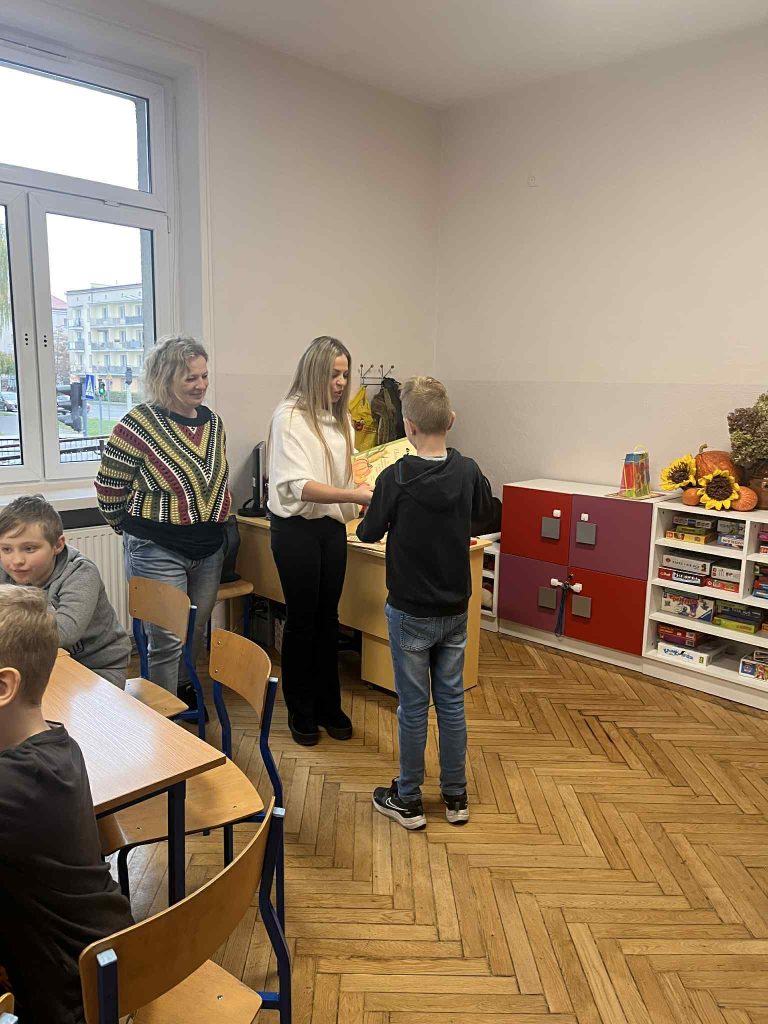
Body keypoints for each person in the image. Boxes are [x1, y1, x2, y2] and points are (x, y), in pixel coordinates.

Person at [357, 376, 493, 829]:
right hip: (455, 608)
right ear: (450, 420)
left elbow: (368, 532)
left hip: (410, 609)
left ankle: (409, 798)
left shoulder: (394, 476)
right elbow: (483, 511)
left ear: (408, 426)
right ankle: (456, 796)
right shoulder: (467, 470)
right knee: (451, 702)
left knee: (413, 707)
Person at [0, 585, 133, 1024]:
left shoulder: (14, 784)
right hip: (108, 953)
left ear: (4, 686)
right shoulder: (60, 742)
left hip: (70, 996)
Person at [95, 335, 231, 707]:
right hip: (156, 548)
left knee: (195, 629)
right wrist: (130, 531)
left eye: (204, 376)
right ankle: (163, 718)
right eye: (190, 378)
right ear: (165, 378)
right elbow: (109, 487)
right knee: (167, 638)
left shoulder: (213, 423)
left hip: (209, 548)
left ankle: (183, 690)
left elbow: (213, 480)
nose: (201, 385)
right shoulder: (137, 424)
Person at [268, 336, 373, 746]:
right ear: (314, 373)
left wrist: (363, 490)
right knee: (302, 620)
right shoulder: (289, 417)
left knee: (329, 618)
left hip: (330, 529)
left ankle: (330, 705)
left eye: (345, 374)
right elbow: (300, 486)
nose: (341, 382)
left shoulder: (339, 418)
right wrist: (355, 495)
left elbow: (347, 473)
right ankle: (301, 710)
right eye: (333, 375)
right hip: (295, 530)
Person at [0, 495, 130, 688]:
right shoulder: (6, 568)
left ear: (58, 545)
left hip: (98, 666)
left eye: (29, 549)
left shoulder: (80, 572)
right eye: (6, 549)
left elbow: (65, 632)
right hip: (43, 661)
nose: (16, 560)